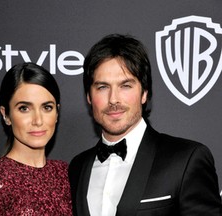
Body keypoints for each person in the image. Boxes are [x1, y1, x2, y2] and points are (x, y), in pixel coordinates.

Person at [68, 34, 222, 215]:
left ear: (144, 93)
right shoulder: (77, 167)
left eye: (125, 86)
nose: (113, 99)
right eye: (102, 87)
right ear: (89, 97)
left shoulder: (187, 159)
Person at [0, 62, 72, 215]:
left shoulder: (66, 173)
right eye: (24, 108)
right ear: (6, 115)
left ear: (57, 113)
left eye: (47, 107)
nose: (38, 120)